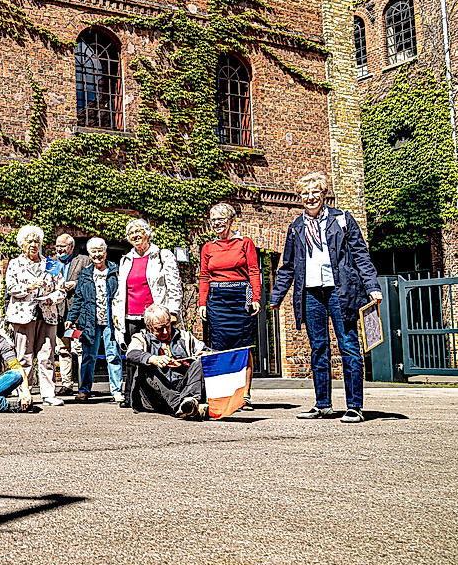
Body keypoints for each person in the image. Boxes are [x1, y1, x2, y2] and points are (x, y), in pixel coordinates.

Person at [270, 173, 381, 424]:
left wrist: (372, 286)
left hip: (340, 291)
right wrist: (277, 296)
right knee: (318, 347)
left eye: (314, 192)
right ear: (300, 198)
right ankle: (323, 404)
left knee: (348, 345)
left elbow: (361, 255)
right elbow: (287, 266)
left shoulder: (341, 219)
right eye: (304, 194)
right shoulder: (297, 226)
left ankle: (354, 406)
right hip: (311, 292)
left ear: (323, 194)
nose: (310, 198)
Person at [197, 203, 261, 411]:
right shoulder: (208, 248)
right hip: (217, 299)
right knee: (219, 346)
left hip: (240, 297)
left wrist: (256, 298)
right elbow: (204, 276)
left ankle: (245, 395)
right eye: (213, 219)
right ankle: (222, 394)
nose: (216, 223)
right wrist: (202, 303)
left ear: (231, 220)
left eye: (221, 219)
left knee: (243, 346)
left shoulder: (245, 243)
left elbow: (253, 271)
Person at [112, 218, 181, 407]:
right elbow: (121, 290)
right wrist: (117, 313)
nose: (135, 235)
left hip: (154, 317)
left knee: (156, 355)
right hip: (130, 316)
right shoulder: (126, 259)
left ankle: (158, 396)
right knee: (133, 356)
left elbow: (174, 285)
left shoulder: (162, 255)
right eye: (131, 233)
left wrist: (173, 311)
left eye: (138, 231)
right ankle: (130, 397)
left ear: (148, 233)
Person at [5, 225, 65, 407]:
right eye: (29, 241)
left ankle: (48, 394)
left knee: (47, 355)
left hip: (47, 313)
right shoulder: (15, 263)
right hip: (23, 314)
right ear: (22, 244)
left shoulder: (52, 264)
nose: (33, 244)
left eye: (36, 241)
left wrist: (49, 299)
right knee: (24, 356)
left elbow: (61, 290)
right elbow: (11, 288)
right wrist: (29, 287)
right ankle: (24, 391)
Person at [125, 304, 208, 419]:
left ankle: (189, 403)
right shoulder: (141, 337)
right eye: (159, 328)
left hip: (183, 388)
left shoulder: (184, 336)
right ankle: (182, 406)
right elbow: (131, 354)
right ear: (149, 327)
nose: (165, 332)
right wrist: (153, 359)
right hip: (156, 396)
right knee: (147, 366)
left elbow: (209, 351)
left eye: (167, 326)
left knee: (200, 362)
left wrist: (206, 354)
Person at [66, 237, 123, 402]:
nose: (97, 254)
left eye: (100, 251)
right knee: (88, 356)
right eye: (94, 251)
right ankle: (84, 390)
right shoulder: (85, 273)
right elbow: (78, 298)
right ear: (89, 254)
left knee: (113, 355)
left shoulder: (115, 270)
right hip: (90, 320)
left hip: (111, 320)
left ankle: (117, 390)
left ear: (105, 252)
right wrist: (71, 318)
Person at [53, 233, 89, 395]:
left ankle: (83, 386)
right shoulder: (51, 262)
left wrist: (76, 283)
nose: (59, 249)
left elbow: (91, 279)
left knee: (80, 349)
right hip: (59, 314)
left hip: (78, 314)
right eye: (57, 246)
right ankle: (67, 385)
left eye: (63, 246)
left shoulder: (83, 260)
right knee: (63, 349)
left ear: (71, 247)